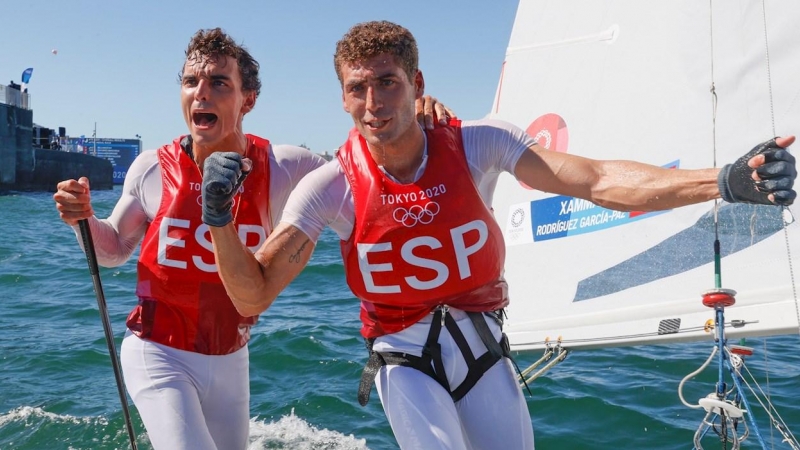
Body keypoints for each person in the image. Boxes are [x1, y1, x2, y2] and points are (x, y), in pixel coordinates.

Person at [202, 21, 797, 450]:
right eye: (357, 88)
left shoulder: (479, 144)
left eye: (386, 83)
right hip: (404, 361)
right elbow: (252, 295)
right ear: (342, 96)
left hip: (484, 351)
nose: (372, 102)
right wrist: (220, 220)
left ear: (416, 82)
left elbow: (594, 179)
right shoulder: (331, 187)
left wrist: (720, 181)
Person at [53, 27, 453, 450]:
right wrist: (83, 219)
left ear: (248, 100)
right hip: (158, 352)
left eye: (219, 83)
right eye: (191, 82)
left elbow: (368, 167)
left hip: (230, 359)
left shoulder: (285, 166)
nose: (201, 94)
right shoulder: (154, 168)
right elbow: (113, 249)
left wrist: (415, 116)